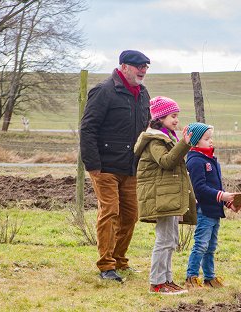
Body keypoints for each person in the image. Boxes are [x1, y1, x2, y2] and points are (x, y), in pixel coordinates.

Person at [79, 50, 151, 282]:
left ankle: (120, 260)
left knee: (130, 215)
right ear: (124, 66)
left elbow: (145, 128)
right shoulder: (104, 91)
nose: (142, 70)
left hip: (131, 167)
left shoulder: (143, 94)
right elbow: (88, 128)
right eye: (138, 66)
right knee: (110, 212)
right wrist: (92, 164)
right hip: (105, 166)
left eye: (146, 67)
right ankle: (106, 265)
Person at [134, 96, 197, 295]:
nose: (176, 120)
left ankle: (167, 280)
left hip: (167, 196)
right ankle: (157, 282)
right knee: (164, 240)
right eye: (173, 116)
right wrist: (185, 144)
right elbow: (167, 162)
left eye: (177, 116)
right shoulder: (155, 140)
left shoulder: (167, 137)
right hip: (160, 197)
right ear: (160, 117)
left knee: (171, 239)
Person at [184, 122, 240, 289]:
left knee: (211, 246)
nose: (211, 141)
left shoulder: (211, 160)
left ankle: (209, 278)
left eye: (211, 138)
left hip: (214, 210)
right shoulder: (195, 161)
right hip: (204, 210)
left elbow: (216, 187)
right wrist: (221, 196)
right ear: (195, 141)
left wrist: (227, 201)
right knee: (201, 244)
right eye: (207, 138)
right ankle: (191, 277)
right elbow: (199, 188)